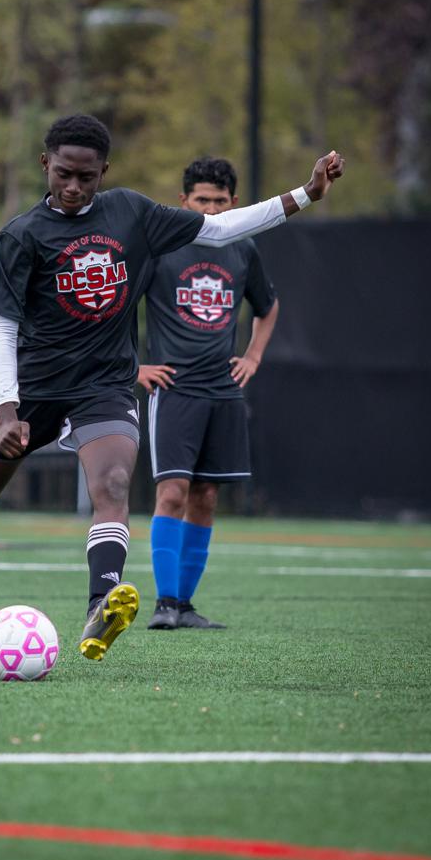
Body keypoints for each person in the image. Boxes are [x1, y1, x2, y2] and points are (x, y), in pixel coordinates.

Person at [0, 113, 344, 663]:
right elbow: (1, 332)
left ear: (104, 172)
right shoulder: (21, 237)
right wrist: (6, 410)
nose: (74, 187)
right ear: (46, 164)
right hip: (34, 391)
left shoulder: (131, 212)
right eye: (64, 174)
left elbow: (218, 229)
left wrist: (306, 194)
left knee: (115, 483)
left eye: (87, 177)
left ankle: (101, 605)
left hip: (105, 385)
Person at [137, 157, 279, 631]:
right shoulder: (158, 249)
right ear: (184, 202)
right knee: (172, 491)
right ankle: (163, 605)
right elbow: (117, 307)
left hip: (223, 391)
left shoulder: (243, 248)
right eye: (202, 200)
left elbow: (268, 305)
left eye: (220, 201)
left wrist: (253, 357)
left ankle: (184, 604)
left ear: (234, 203)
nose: (212, 209)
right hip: (174, 389)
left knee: (207, 496)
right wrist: (134, 367)